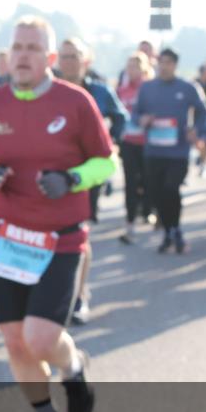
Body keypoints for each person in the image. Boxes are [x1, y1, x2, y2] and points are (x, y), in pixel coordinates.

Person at [0, 16, 114, 412]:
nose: (23, 56)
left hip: (60, 240)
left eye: (33, 48)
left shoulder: (75, 101)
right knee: (15, 342)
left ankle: (73, 368)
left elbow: (106, 163)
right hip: (9, 236)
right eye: (18, 48)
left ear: (50, 58)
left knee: (39, 338)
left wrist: (72, 179)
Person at [55, 37, 126, 325]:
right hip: (55, 171)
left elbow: (121, 117)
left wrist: (113, 143)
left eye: (74, 56)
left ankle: (80, 294)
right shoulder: (50, 90)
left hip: (87, 171)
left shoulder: (99, 92)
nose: (69, 61)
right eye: (64, 56)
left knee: (79, 231)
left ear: (87, 61)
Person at [134, 48, 206, 254]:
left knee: (171, 189)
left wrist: (197, 131)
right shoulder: (147, 88)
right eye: (161, 62)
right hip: (153, 151)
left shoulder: (187, 88)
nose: (164, 66)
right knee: (157, 193)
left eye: (168, 63)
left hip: (178, 152)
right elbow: (135, 114)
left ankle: (175, 229)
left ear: (175, 65)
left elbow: (204, 112)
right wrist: (142, 120)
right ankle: (169, 231)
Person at [116, 51, 155, 244]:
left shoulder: (149, 89)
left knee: (148, 181)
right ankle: (130, 221)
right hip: (129, 142)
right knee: (130, 183)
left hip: (148, 143)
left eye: (136, 66)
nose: (132, 70)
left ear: (143, 68)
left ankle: (148, 210)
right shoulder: (121, 91)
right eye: (129, 66)